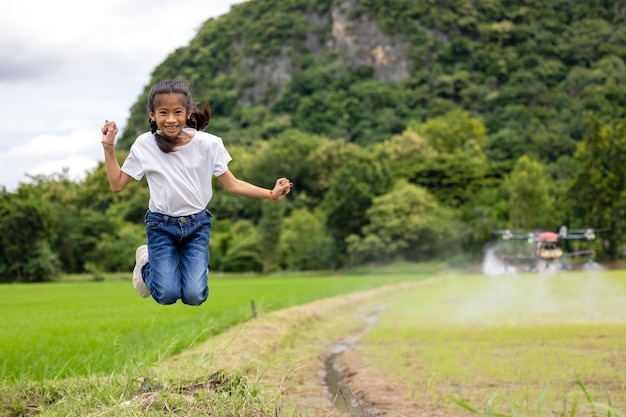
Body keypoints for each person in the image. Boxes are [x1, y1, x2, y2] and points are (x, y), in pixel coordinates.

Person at [100, 79, 292, 306]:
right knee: (166, 295)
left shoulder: (209, 144)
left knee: (195, 296)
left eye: (178, 112)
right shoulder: (145, 145)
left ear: (188, 113)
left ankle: (192, 271)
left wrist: (271, 193)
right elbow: (117, 184)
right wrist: (108, 146)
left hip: (197, 226)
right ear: (152, 115)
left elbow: (233, 184)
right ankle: (145, 263)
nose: (171, 119)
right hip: (160, 225)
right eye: (163, 113)